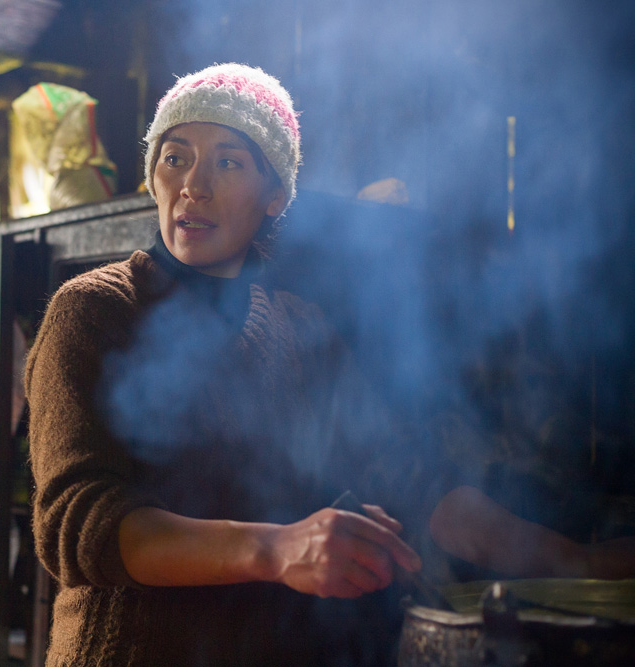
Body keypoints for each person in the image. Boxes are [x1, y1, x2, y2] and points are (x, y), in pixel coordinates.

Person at [25, 63, 422, 666]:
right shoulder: (95, 310)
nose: (194, 186)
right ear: (153, 177)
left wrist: (565, 561)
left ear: (275, 197)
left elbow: (400, 469)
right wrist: (276, 549)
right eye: (175, 158)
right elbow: (77, 524)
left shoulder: (300, 327)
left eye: (229, 162)